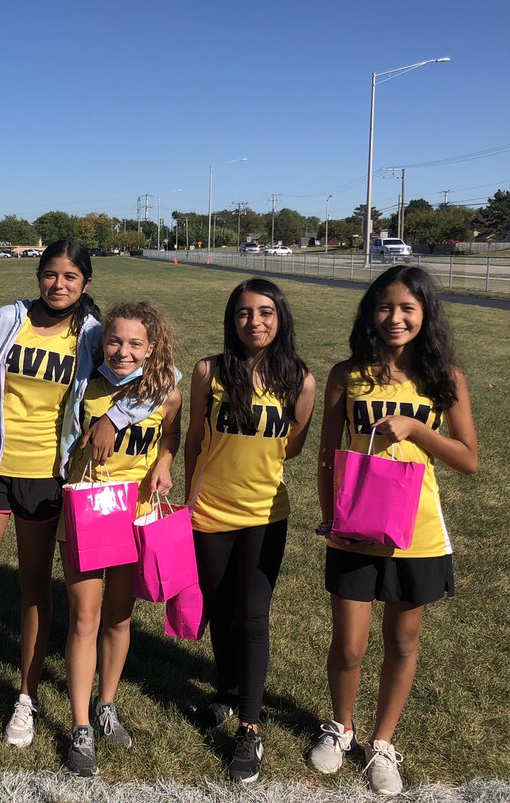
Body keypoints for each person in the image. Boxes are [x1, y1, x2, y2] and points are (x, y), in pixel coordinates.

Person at [0, 239, 147, 750]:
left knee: (34, 589)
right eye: (51, 274)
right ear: (38, 276)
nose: (59, 284)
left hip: (49, 479)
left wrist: (114, 418)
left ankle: (26, 698)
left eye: (70, 277)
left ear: (86, 283)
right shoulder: (5, 321)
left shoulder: (94, 334)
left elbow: (158, 381)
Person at [307, 265, 478, 795]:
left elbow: (468, 459)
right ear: (370, 312)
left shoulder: (444, 378)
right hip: (355, 526)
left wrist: (418, 429)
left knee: (402, 642)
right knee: (349, 644)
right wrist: (330, 515)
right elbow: (328, 452)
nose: (395, 318)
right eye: (385, 307)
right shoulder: (347, 374)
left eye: (407, 308)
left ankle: (382, 742)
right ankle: (341, 727)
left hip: (417, 531)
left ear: (425, 313)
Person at [184, 278, 316, 784]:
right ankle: (227, 691)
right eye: (243, 313)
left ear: (280, 318)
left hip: (265, 516)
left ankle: (250, 727)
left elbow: (293, 447)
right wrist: (189, 498)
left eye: (264, 312)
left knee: (253, 616)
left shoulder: (300, 381)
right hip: (209, 513)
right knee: (219, 609)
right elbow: (195, 438)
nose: (254, 322)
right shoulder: (208, 371)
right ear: (231, 320)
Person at [59, 301, 182, 777]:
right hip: (88, 512)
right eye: (114, 340)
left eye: (135, 344)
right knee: (84, 618)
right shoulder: (85, 383)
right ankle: (80, 725)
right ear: (101, 342)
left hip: (136, 515)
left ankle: (106, 703)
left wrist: (165, 463)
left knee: (118, 617)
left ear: (151, 348)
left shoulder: (164, 390)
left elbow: (171, 434)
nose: (123, 351)